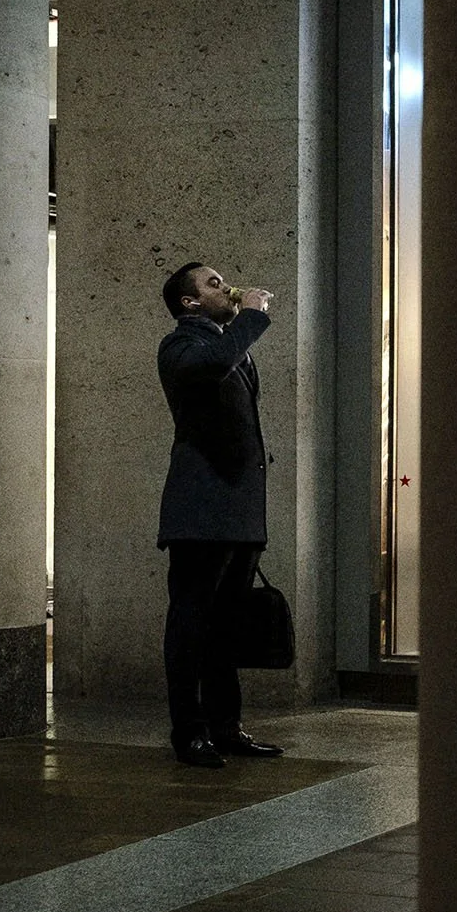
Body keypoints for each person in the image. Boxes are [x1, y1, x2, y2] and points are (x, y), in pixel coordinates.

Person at [157, 262, 288, 768]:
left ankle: (225, 727)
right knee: (190, 624)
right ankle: (188, 733)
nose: (226, 285)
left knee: (224, 626)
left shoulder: (223, 342)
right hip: (200, 510)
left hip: (236, 509)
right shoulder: (181, 346)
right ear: (190, 303)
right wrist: (251, 318)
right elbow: (211, 366)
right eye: (212, 283)